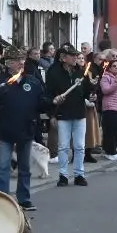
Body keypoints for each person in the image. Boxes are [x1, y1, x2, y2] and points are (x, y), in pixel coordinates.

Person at [0, 57, 45, 212]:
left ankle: (24, 199)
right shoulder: (0, 83)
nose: (21, 63)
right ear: (8, 63)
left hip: (25, 130)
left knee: (24, 167)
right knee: (3, 166)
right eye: (16, 60)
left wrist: (54, 102)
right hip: (4, 132)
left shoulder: (32, 82)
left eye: (22, 60)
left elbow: (41, 103)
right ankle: (3, 199)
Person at [46, 44, 93, 186]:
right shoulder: (54, 73)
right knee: (63, 146)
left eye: (76, 55)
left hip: (79, 113)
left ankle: (79, 174)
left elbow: (85, 92)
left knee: (79, 146)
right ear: (63, 58)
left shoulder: (81, 72)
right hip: (62, 114)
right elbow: (48, 95)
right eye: (72, 56)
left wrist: (91, 95)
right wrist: (51, 114)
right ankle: (63, 175)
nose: (75, 58)